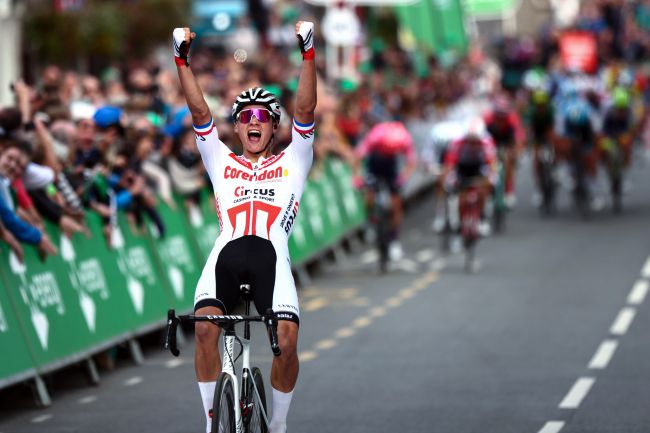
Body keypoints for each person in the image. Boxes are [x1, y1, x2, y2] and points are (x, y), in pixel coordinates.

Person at [173, 21, 317, 433]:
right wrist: (180, 60)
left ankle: (278, 425)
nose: (253, 121)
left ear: (274, 127)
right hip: (226, 256)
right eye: (245, 116)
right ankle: (211, 422)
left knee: (286, 343)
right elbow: (200, 112)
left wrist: (308, 53)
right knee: (204, 331)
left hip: (272, 258)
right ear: (236, 127)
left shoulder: (294, 160)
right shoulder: (220, 159)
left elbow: (306, 111)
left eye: (262, 116)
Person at [352, 121, 417, 261]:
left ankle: (394, 239)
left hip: (391, 167)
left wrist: (403, 178)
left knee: (396, 204)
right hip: (374, 165)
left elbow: (411, 162)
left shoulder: (404, 139)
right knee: (369, 196)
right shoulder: (375, 137)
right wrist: (357, 177)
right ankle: (370, 221)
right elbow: (357, 157)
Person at [441, 118, 497, 236]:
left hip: (479, 169)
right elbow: (450, 164)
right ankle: (461, 224)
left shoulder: (486, 143)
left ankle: (481, 217)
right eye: (469, 140)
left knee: (483, 190)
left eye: (475, 140)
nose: (472, 143)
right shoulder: (457, 143)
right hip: (462, 170)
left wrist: (491, 178)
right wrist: (447, 178)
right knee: (460, 199)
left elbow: (492, 164)